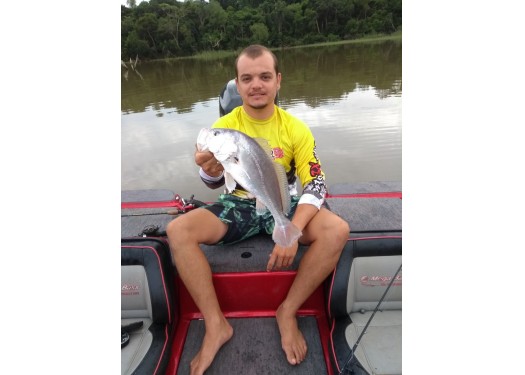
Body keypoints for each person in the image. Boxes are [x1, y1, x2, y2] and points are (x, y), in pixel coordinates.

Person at [166, 44, 350, 375]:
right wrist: (208, 169)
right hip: (238, 203)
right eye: (247, 78)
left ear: (278, 81)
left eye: (265, 76)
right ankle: (215, 324)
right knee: (178, 231)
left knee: (337, 230)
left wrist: (291, 231)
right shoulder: (225, 125)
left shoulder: (296, 129)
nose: (256, 85)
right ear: (237, 84)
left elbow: (316, 186)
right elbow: (212, 181)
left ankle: (288, 310)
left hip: (281, 203)